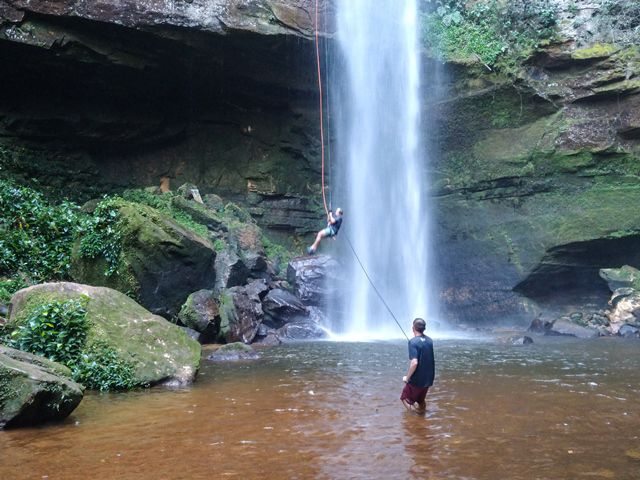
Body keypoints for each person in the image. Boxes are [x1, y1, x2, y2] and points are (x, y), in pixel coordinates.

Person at [400, 318, 435, 413]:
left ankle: (416, 419)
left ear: (413, 328)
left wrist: (407, 378)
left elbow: (414, 362)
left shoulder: (413, 342)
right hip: (428, 379)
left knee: (404, 398)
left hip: (417, 380)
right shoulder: (430, 341)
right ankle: (423, 417)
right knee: (421, 400)